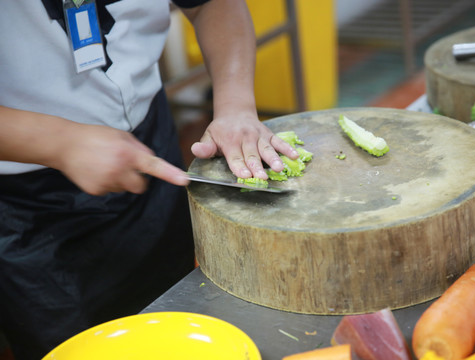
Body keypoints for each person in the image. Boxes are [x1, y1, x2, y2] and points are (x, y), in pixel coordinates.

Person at [0, 0, 298, 359]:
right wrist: (59, 142)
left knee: (177, 321)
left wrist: (235, 106)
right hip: (24, 202)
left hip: (149, 146)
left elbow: (211, 5)